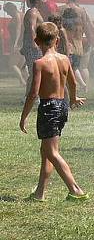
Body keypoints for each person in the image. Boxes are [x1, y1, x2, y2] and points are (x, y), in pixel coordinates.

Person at [19, 22, 87, 201]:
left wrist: (24, 116)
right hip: (62, 105)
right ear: (57, 40)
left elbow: (34, 93)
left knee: (52, 152)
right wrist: (73, 98)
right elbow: (72, 83)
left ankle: (75, 189)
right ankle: (40, 192)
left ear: (36, 41)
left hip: (49, 107)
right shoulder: (65, 59)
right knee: (46, 151)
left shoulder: (40, 63)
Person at [60, 0, 94, 89]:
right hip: (78, 43)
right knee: (80, 67)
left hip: (65, 42)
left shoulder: (61, 9)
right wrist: (90, 41)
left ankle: (73, 87)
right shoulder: (81, 11)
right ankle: (83, 86)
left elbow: (57, 25)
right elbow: (87, 26)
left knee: (67, 67)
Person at [21, 0, 47, 86]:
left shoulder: (36, 11)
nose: (45, 1)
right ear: (37, 0)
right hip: (33, 46)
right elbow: (31, 28)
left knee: (36, 72)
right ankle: (29, 96)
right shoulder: (33, 12)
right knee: (34, 72)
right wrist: (34, 43)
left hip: (36, 45)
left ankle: (32, 96)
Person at [61, 7, 88, 93]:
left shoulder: (69, 23)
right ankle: (82, 84)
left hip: (71, 48)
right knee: (75, 68)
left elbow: (68, 37)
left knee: (70, 69)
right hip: (79, 48)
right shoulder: (80, 23)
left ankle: (74, 85)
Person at [3, 2, 27, 86]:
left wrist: (15, 43)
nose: (7, 13)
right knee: (22, 65)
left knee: (12, 64)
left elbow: (18, 29)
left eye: (7, 11)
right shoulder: (23, 15)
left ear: (11, 9)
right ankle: (28, 81)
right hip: (24, 42)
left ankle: (22, 81)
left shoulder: (17, 16)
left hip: (18, 44)